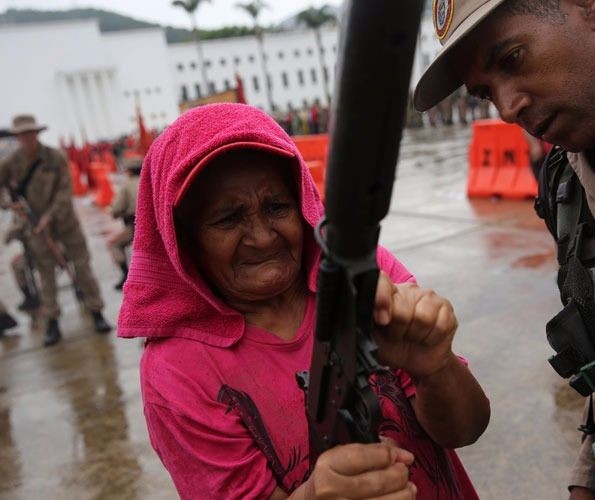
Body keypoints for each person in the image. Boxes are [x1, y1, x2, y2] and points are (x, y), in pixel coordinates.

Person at [117, 103, 490, 499]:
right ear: (183, 241)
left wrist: (436, 367)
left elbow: (467, 428)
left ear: (303, 204)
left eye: (277, 207)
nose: (262, 237)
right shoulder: (178, 371)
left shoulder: (360, 277)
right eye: (228, 219)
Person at [414, 1, 595, 499]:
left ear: (586, 5)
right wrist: (587, 483)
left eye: (512, 59)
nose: (506, 108)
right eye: (485, 93)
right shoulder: (566, 181)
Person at [0, 115, 111, 346]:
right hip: (35, 227)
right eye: (21, 135)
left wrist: (48, 218)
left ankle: (96, 311)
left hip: (65, 223)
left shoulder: (55, 157)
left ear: (36, 134)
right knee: (46, 274)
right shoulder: (11, 163)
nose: (26, 139)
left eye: (29, 133)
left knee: (82, 268)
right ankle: (52, 321)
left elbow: (64, 192)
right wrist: (10, 205)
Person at [108, 154, 141, 290]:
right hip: (157, 223)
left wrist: (115, 213)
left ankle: (125, 275)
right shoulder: (151, 179)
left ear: (128, 171)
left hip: (136, 225)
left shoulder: (126, 186)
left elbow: (116, 209)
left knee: (113, 245)